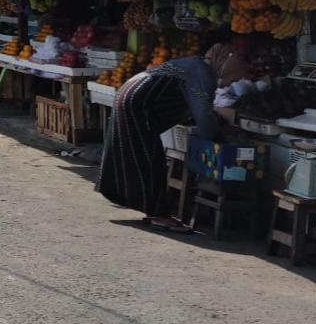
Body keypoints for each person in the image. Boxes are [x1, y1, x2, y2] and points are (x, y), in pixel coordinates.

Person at [97, 38, 251, 232]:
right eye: (233, 73)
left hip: (130, 95)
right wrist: (218, 141)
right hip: (136, 103)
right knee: (152, 158)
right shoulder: (201, 73)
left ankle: (136, 202)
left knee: (134, 152)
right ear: (224, 64)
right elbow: (203, 114)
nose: (232, 78)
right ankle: (158, 215)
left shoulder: (196, 65)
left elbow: (194, 104)